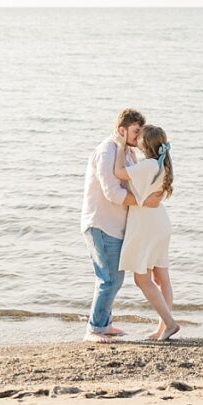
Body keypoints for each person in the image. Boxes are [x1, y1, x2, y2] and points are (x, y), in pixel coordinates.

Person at [80, 109, 165, 343]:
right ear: (122, 130)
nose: (139, 138)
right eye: (136, 132)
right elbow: (112, 192)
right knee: (109, 278)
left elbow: (133, 183)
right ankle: (94, 329)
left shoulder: (126, 152)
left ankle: (104, 324)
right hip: (100, 223)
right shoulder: (107, 150)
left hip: (115, 226)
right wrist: (143, 202)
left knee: (114, 278)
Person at [113, 124, 180, 341]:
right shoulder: (162, 165)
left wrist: (120, 147)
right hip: (160, 223)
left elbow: (118, 173)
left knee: (142, 280)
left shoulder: (148, 165)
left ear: (144, 144)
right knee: (162, 279)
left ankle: (169, 323)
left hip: (146, 226)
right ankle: (163, 328)